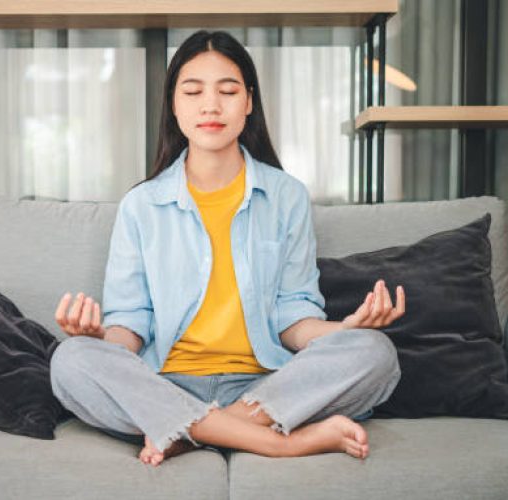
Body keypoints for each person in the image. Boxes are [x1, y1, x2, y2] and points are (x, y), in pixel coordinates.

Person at [51, 30, 404, 467]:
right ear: (174, 105)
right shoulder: (141, 205)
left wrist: (347, 327)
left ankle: (190, 430)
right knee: (70, 359)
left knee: (374, 351)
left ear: (249, 102)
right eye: (193, 91)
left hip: (261, 388)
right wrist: (99, 339)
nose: (211, 106)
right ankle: (279, 442)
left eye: (228, 91)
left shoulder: (286, 196)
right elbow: (132, 322)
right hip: (165, 382)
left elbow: (293, 318)